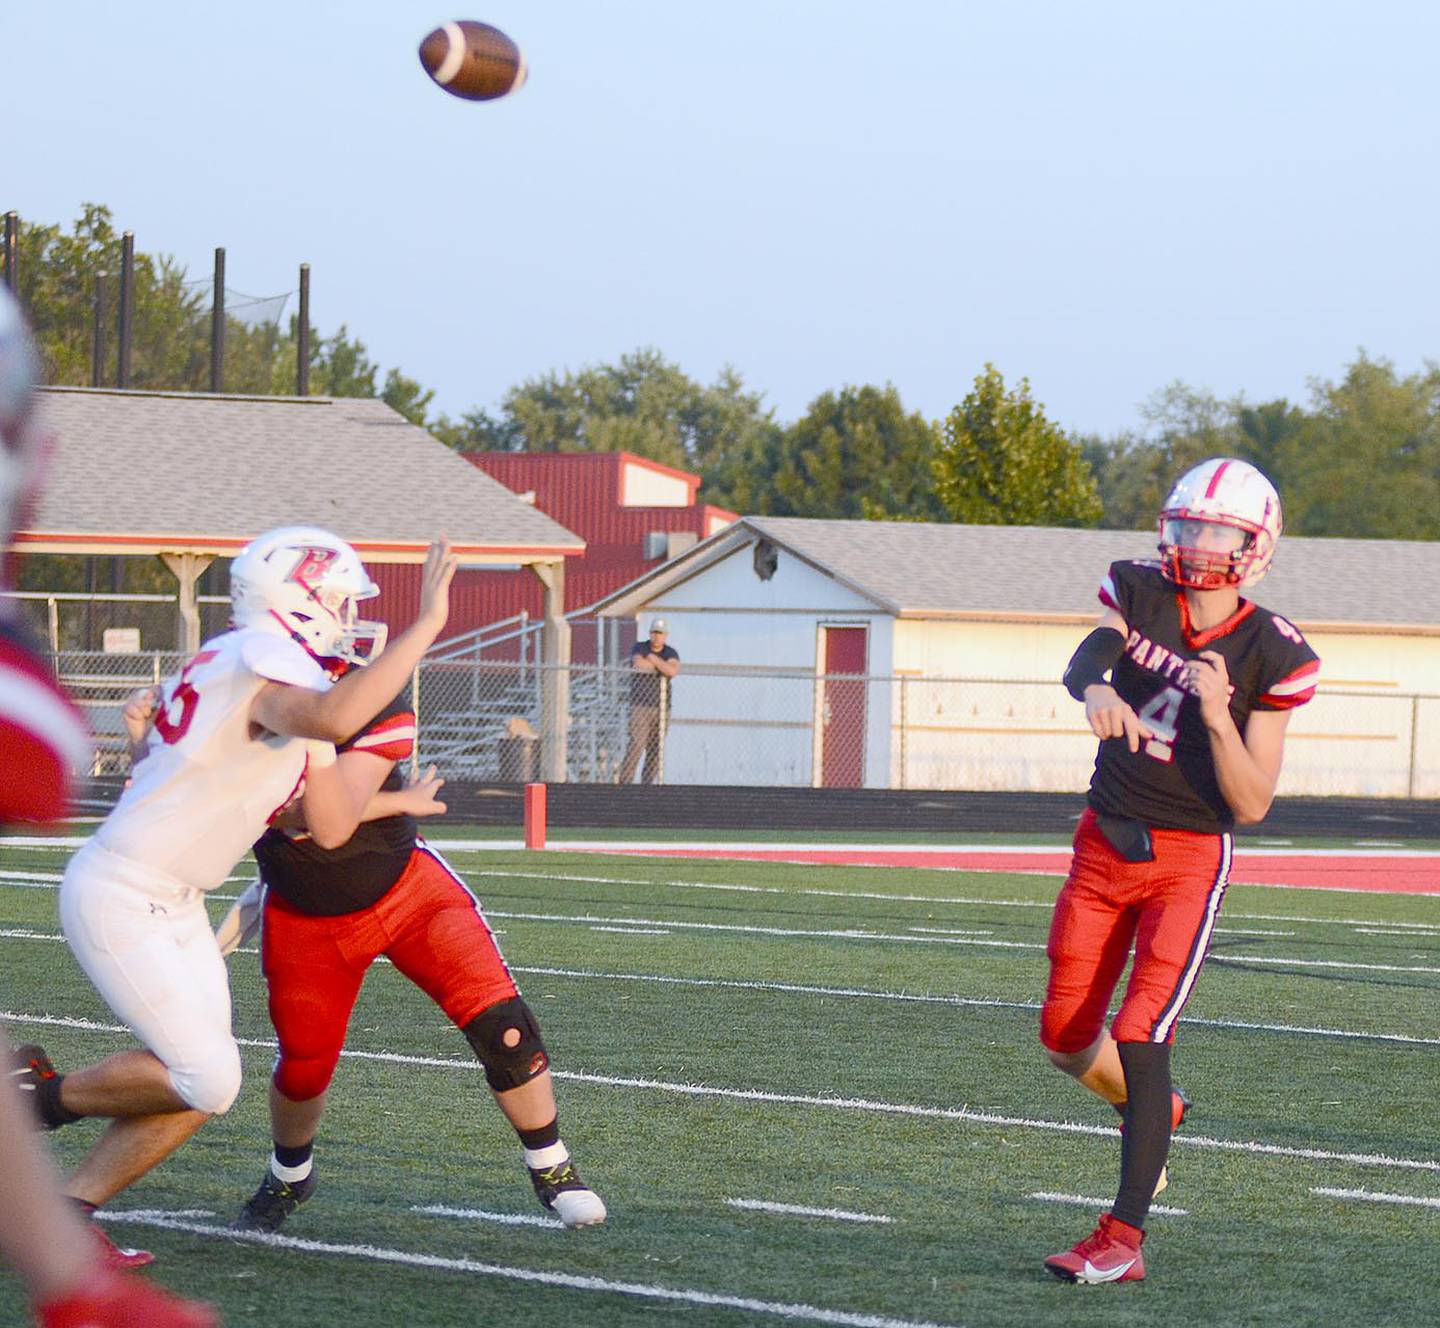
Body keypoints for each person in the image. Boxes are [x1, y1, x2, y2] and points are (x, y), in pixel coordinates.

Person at [13, 523, 458, 1269]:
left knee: (208, 1085)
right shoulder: (266, 660)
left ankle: (67, 1212)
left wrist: (390, 799)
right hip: (124, 888)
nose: (350, 620)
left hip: (175, 897)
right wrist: (429, 627)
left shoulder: (285, 674)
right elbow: (334, 718)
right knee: (204, 1074)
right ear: (300, 599)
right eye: (341, 603)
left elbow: (325, 819)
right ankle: (33, 1097)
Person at [1040, 457, 1318, 1285]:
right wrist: (1092, 687)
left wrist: (1215, 714)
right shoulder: (1138, 589)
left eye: (1218, 532)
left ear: (1255, 546)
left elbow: (1253, 800)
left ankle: (1121, 1239)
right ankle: (1152, 1113)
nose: (1199, 545)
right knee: (1062, 1038)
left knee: (1142, 1030)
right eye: (1190, 526)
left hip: (1188, 858)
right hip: (1103, 842)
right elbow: (1086, 657)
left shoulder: (1273, 651)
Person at [0, 287, 216, 1325]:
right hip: (131, 884)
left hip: (164, 886)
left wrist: (68, 1286)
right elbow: (36, 756)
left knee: (206, 1073)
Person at [216, 678, 606, 1234]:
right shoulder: (232, 703)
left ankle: (553, 1168)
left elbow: (330, 810)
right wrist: (400, 800)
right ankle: (290, 1172)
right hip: (307, 918)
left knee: (505, 1027)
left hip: (409, 890)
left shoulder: (364, 692)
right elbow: (291, 812)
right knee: (304, 1067)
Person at [617, 618, 680, 784]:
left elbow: (672, 670)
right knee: (637, 744)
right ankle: (625, 782)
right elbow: (639, 665)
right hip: (640, 705)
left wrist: (653, 659)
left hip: (661, 707)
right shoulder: (641, 647)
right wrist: (659, 666)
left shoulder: (670, 652)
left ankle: (647, 785)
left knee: (655, 748)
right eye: (654, 632)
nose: (656, 636)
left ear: (665, 635)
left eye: (660, 633)